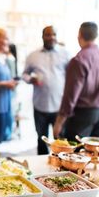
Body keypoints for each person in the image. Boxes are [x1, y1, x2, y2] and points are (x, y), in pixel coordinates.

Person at [53, 22, 99, 140]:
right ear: (95, 36)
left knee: (74, 153)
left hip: (81, 115)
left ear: (79, 35)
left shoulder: (79, 60)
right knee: (92, 153)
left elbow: (70, 95)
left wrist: (59, 122)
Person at [23, 26, 71, 154]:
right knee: (41, 139)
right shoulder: (33, 56)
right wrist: (30, 79)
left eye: (54, 34)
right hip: (40, 106)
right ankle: (42, 168)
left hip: (59, 107)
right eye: (48, 35)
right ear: (42, 36)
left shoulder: (66, 54)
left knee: (61, 141)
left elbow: (72, 77)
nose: (51, 37)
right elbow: (24, 74)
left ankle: (60, 168)